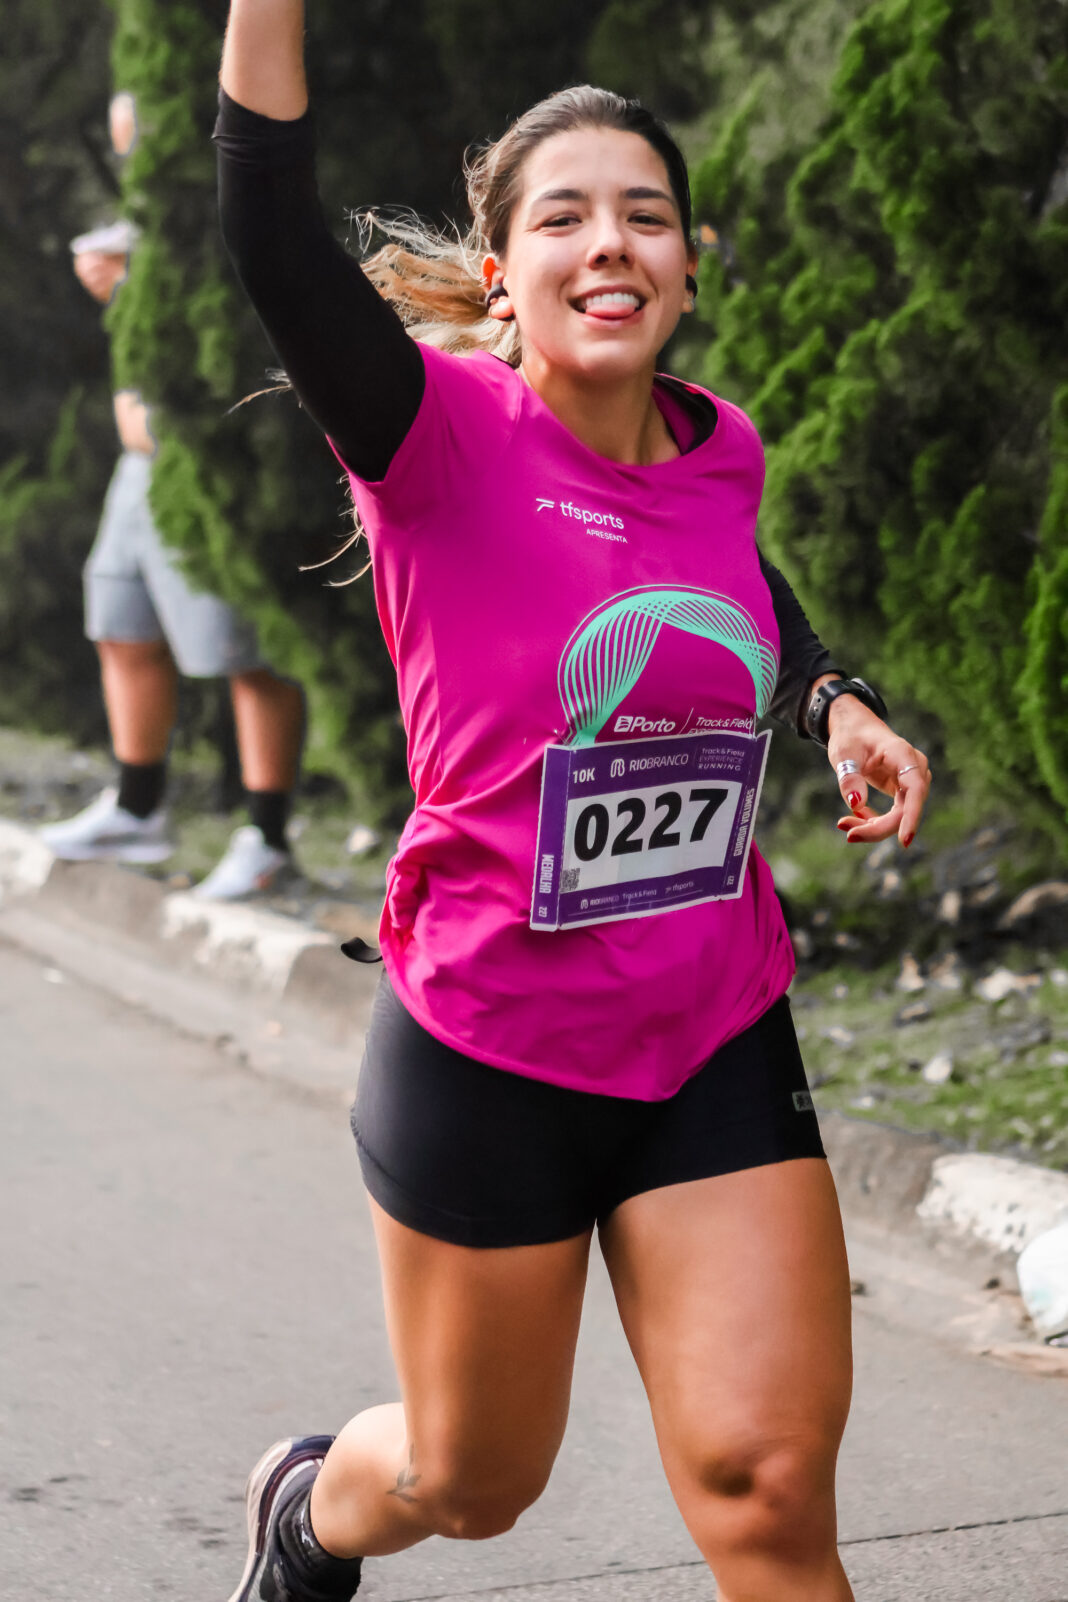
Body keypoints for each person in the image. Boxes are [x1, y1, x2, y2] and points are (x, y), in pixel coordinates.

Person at [214, 4, 932, 1598]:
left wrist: (834, 698)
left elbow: (734, 575)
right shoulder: (427, 433)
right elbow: (266, 229)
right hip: (493, 1042)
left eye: (646, 214)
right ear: (500, 277)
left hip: (708, 1022)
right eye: (565, 217)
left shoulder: (717, 448)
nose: (611, 241)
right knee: (471, 1477)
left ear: (688, 268)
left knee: (767, 1486)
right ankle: (311, 1507)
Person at [41, 91, 306, 901]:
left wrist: (130, 292)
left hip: (205, 461)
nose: (133, 162)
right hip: (138, 469)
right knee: (119, 625)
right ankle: (138, 808)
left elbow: (225, 335)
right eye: (123, 146)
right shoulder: (144, 226)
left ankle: (267, 837)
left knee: (244, 650)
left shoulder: (226, 214)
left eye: (141, 142)